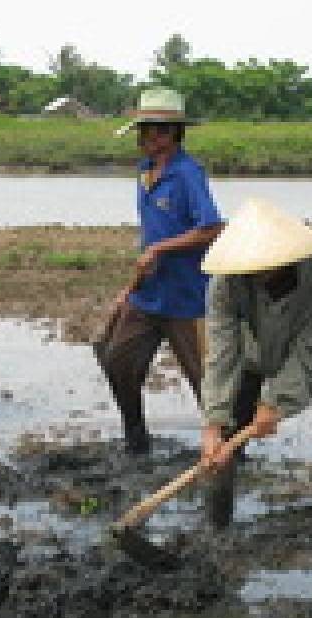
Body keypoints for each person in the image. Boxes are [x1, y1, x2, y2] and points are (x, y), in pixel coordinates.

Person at [198, 198, 312, 528]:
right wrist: (213, 421)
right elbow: (222, 351)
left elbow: (308, 350)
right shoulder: (224, 284)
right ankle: (217, 521)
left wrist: (275, 403)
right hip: (254, 350)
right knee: (226, 433)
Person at [96, 88, 223, 454]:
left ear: (176, 134)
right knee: (118, 363)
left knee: (206, 385)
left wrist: (161, 249)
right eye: (146, 130)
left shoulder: (188, 174)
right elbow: (152, 232)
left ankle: (228, 451)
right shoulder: (144, 172)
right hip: (147, 293)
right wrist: (129, 288)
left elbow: (212, 228)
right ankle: (136, 441)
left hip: (187, 298)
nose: (152, 138)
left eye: (161, 131)